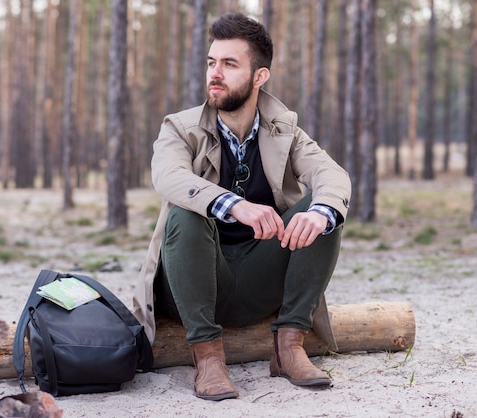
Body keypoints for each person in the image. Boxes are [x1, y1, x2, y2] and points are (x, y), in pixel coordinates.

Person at [132, 12, 351, 401]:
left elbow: (331, 175)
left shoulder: (285, 129)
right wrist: (233, 205)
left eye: (229, 64)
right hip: (187, 285)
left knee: (320, 213)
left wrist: (320, 212)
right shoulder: (180, 128)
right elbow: (168, 177)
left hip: (256, 279)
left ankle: (289, 346)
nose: (215, 73)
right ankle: (208, 357)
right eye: (211, 62)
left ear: (259, 76)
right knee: (186, 212)